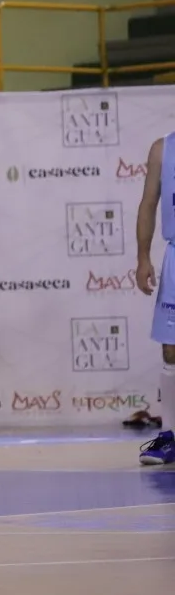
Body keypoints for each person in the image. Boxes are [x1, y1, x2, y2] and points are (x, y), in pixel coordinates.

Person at [133, 135, 175, 465]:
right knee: (171, 348)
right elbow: (149, 203)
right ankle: (170, 435)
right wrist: (143, 257)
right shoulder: (162, 149)